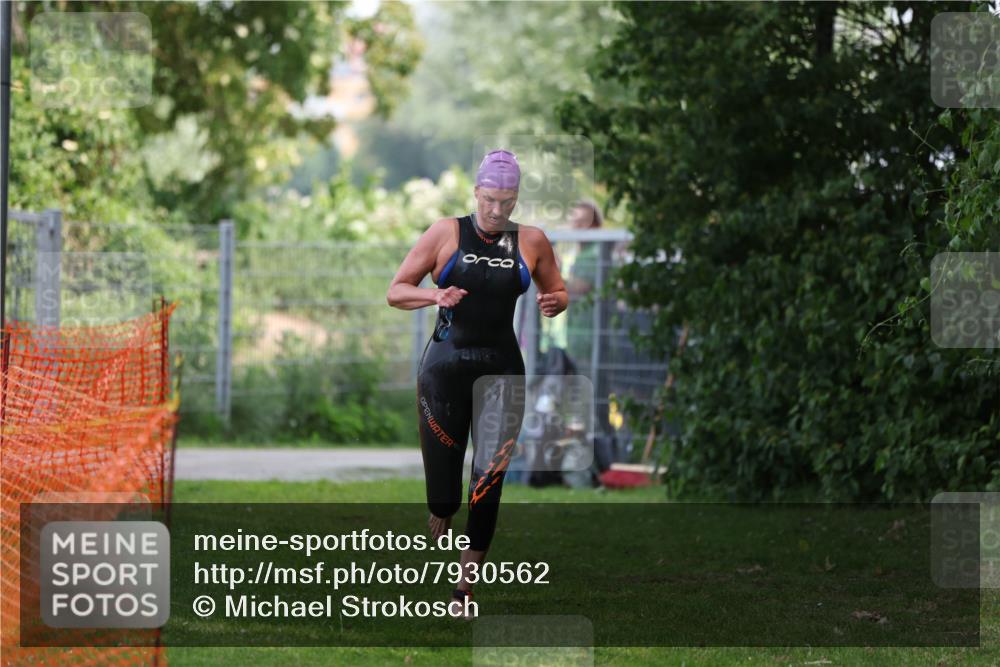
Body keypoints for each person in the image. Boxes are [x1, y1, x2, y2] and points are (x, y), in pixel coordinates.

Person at [386, 149, 568, 618]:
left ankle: (464, 590)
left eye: (506, 202)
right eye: (489, 199)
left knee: (488, 480)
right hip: (444, 369)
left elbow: (557, 288)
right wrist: (434, 294)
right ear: (476, 193)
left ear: (516, 198)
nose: (496, 211)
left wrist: (556, 303)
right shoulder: (446, 233)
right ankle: (441, 506)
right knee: (444, 493)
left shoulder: (531, 241)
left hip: (503, 370)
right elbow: (396, 290)